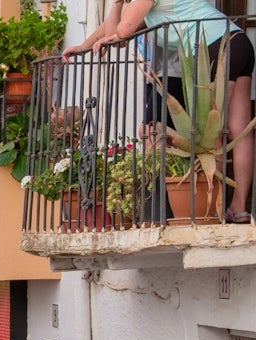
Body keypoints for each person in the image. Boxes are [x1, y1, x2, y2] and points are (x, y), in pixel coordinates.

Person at [62, 0, 254, 223]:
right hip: (238, 41)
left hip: (215, 46)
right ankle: (239, 208)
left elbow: (123, 32)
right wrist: (85, 45)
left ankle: (211, 210)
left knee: (211, 132)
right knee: (239, 130)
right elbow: (115, 27)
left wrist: (116, 23)